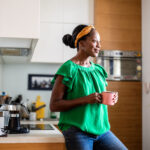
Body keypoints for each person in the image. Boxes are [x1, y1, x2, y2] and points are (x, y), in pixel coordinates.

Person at [50, 24, 127, 150]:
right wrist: (85, 99)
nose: (99, 46)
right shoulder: (69, 69)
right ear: (82, 43)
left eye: (99, 42)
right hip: (78, 132)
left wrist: (110, 97)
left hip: (102, 131)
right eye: (94, 41)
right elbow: (54, 105)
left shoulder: (99, 70)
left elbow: (96, 94)